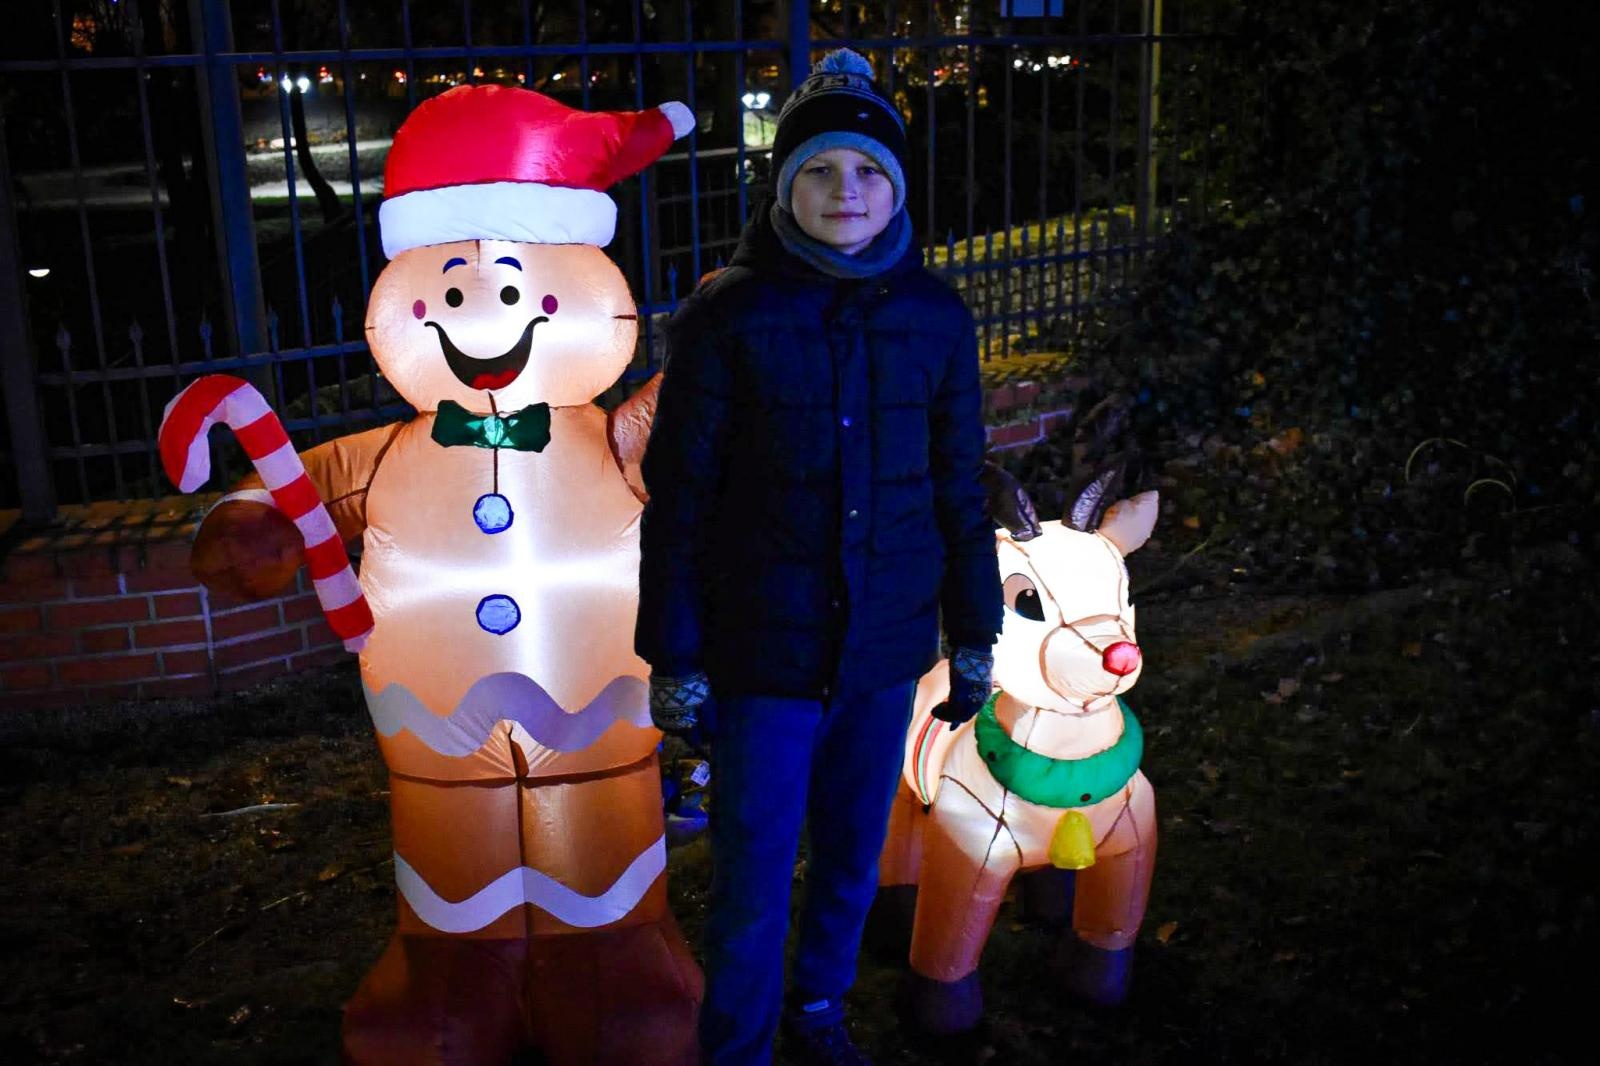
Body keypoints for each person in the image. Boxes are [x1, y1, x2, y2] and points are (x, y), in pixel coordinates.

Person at [636, 49, 1003, 1066]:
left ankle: (816, 1010)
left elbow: (955, 489)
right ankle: (740, 1045)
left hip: (883, 651)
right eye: (821, 172)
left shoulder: (935, 317)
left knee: (849, 854)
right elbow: (681, 501)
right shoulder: (728, 314)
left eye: (869, 172)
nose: (848, 192)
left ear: (897, 188)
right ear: (784, 186)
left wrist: (974, 631)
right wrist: (676, 653)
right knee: (754, 871)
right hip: (766, 656)